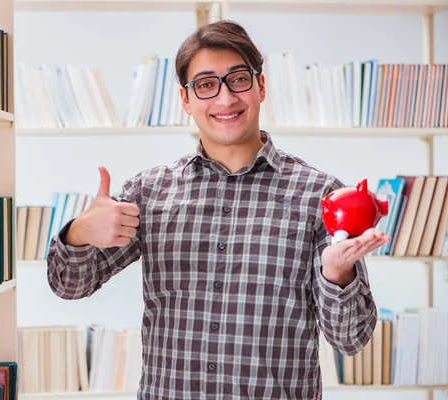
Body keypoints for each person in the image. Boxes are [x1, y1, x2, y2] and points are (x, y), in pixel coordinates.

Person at [46, 19, 391, 399]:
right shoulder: (149, 192)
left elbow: (351, 339)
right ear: (186, 100)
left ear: (260, 86)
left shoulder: (319, 194)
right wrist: (78, 232)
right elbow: (67, 285)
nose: (225, 99)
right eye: (206, 85)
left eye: (238, 79)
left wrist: (336, 273)